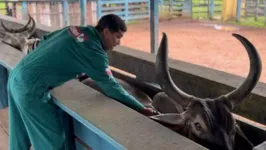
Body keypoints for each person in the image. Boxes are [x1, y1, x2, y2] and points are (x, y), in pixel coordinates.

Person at [7, 14, 158, 150]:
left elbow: (45, 41)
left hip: (16, 75)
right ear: (106, 32)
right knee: (52, 142)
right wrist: (140, 108)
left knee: (19, 137)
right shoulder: (94, 51)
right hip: (31, 89)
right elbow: (111, 87)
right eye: (118, 37)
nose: (118, 42)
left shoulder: (74, 29)